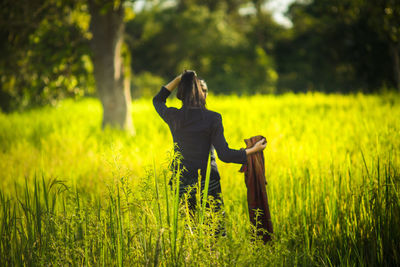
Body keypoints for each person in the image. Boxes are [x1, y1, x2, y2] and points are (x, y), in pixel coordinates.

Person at [153, 70, 266, 215]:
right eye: (202, 90)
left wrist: (179, 79)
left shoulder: (174, 116)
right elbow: (225, 155)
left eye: (206, 90)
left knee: (187, 230)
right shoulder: (212, 118)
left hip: (182, 181)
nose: (205, 94)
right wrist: (253, 150)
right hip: (208, 181)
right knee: (214, 230)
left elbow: (158, 100)